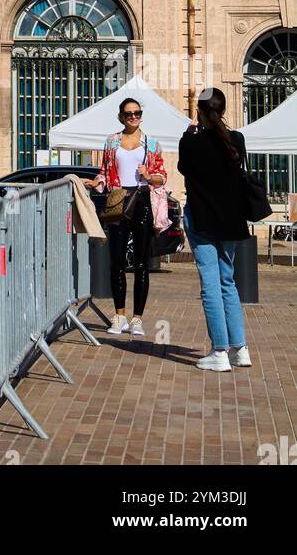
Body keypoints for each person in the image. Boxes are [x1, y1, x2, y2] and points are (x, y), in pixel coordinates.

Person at [178, 87, 251, 372]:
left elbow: (184, 169)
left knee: (210, 284)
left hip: (203, 220)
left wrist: (189, 133)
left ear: (199, 111)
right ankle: (240, 348)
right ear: (223, 110)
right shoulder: (237, 140)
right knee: (227, 282)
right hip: (231, 222)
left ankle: (220, 351)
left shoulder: (191, 143)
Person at [87, 96, 167, 337]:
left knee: (142, 262)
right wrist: (96, 182)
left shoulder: (151, 144)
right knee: (116, 259)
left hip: (142, 200)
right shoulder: (111, 142)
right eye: (129, 114)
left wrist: (148, 175)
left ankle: (138, 319)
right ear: (121, 117)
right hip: (118, 200)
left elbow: (162, 176)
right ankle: (119, 315)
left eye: (137, 113)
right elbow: (105, 172)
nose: (134, 117)